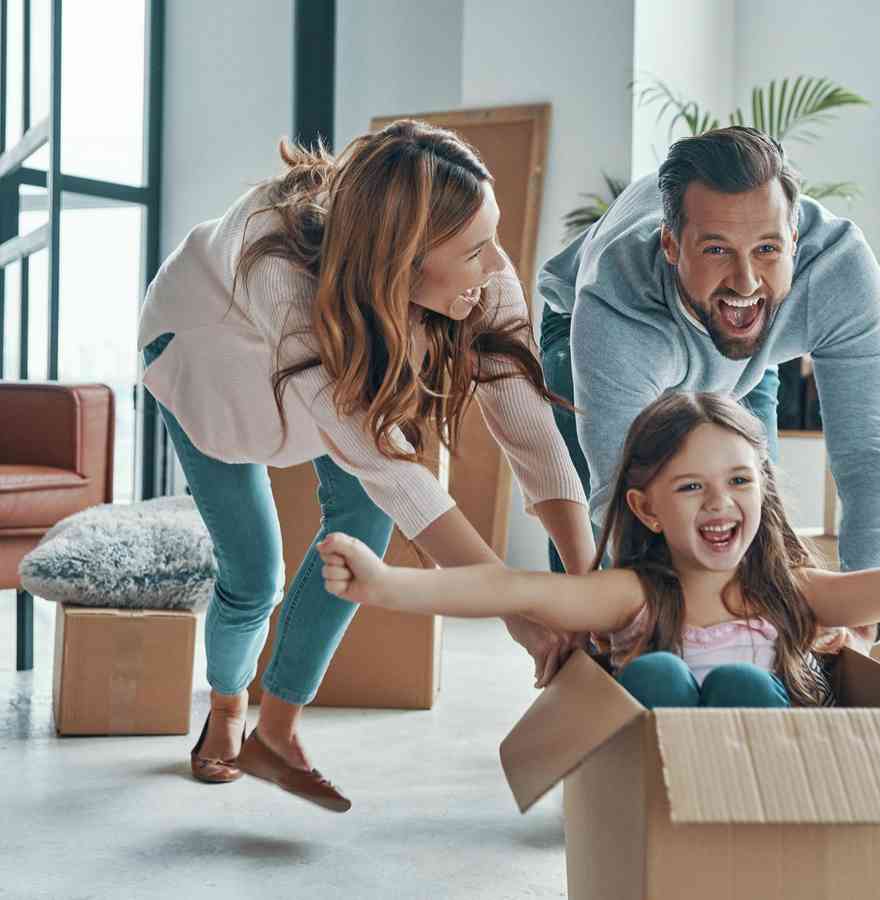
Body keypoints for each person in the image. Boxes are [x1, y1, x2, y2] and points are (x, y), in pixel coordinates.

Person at [137, 120, 595, 810]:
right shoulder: (280, 274)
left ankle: (279, 733)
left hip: (326, 371)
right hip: (208, 367)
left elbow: (531, 432)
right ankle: (229, 705)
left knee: (362, 534)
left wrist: (584, 589)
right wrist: (518, 612)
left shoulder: (478, 278)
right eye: (476, 250)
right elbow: (396, 472)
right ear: (404, 262)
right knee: (254, 575)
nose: (500, 266)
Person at [537, 126, 880, 654]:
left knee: (757, 519)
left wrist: (861, 624)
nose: (747, 279)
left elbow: (872, 454)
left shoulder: (838, 272)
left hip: (746, 353)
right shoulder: (615, 304)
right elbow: (620, 495)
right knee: (603, 572)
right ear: (670, 244)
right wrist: (662, 624)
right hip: (588, 334)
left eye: (768, 249)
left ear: (794, 239)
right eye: (716, 249)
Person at [318, 391, 880, 709]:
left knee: (741, 686)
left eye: (740, 481)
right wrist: (387, 584)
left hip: (759, 803)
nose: (720, 503)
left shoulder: (786, 590)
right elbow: (513, 588)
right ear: (647, 509)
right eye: (692, 486)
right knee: (660, 675)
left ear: (763, 489)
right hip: (654, 797)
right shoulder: (634, 594)